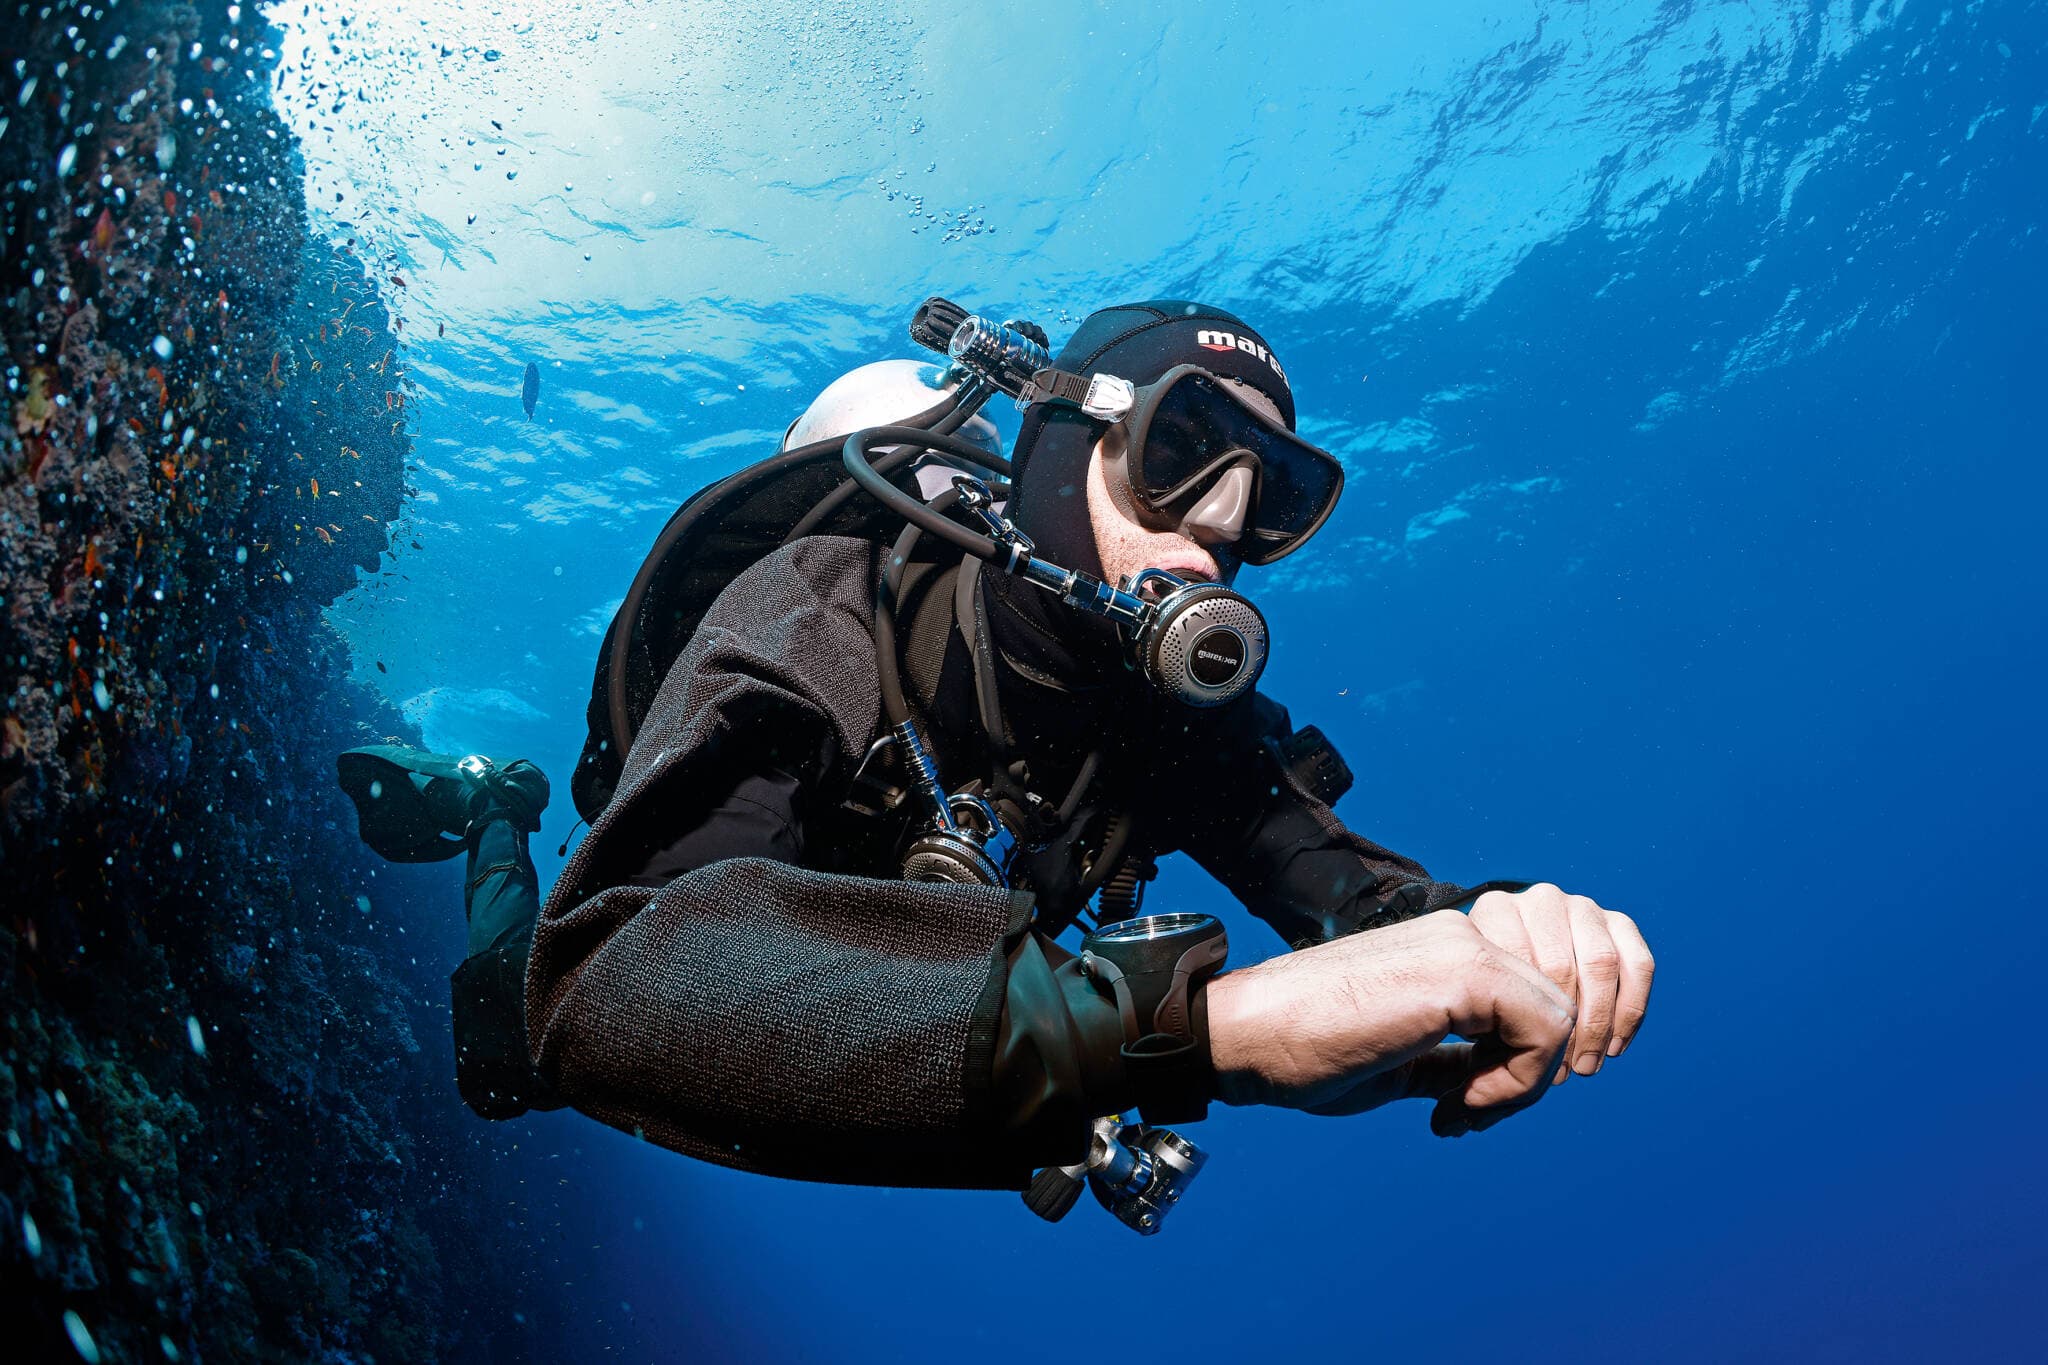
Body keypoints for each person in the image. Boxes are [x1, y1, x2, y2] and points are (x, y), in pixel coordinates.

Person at [340, 301, 1654, 1197]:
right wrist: (1200, 1030)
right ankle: (494, 811)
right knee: (495, 1049)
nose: (1222, 530)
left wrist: (1501, 927)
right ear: (1060, 444)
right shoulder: (832, 589)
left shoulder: (1176, 724)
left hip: (922, 1002)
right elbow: (613, 979)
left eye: (1277, 495)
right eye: (1183, 449)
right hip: (673, 910)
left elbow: (1355, 890)